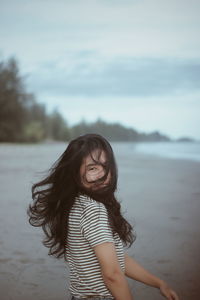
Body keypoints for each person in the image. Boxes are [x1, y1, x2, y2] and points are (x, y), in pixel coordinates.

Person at [28, 133, 179, 300]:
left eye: (105, 166)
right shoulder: (93, 210)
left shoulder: (74, 203)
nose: (102, 175)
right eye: (92, 168)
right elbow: (112, 274)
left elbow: (115, 259)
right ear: (74, 173)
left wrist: (158, 283)